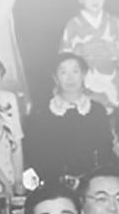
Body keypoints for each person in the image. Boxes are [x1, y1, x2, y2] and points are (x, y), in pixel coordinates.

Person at [24, 54, 111, 188]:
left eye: (75, 71)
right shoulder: (41, 111)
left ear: (83, 75)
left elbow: (105, 151)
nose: (70, 78)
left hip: (89, 184)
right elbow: (33, 151)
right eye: (63, 72)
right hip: (51, 184)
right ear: (55, 78)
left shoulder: (96, 111)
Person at [60, 0, 119, 104]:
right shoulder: (73, 26)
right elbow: (65, 61)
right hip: (87, 86)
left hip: (113, 84)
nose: (95, 0)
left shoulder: (115, 23)